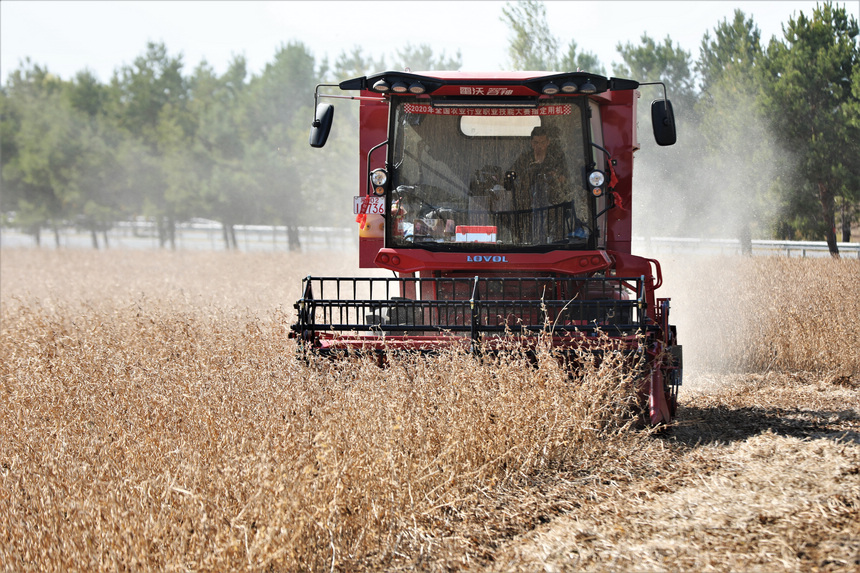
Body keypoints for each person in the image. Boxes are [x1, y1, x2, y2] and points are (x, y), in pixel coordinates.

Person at [507, 126, 573, 243]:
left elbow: (565, 178)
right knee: (529, 234)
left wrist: (554, 178)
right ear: (532, 143)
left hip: (553, 203)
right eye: (536, 142)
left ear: (548, 142)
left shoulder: (556, 158)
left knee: (555, 235)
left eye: (542, 142)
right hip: (527, 206)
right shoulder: (524, 158)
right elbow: (513, 177)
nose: (539, 146)